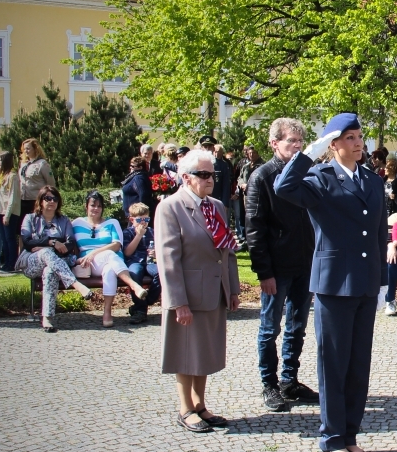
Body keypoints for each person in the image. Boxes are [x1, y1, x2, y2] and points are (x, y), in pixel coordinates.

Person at [274, 113, 387, 452]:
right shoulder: (319, 178)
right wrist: (310, 152)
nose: (358, 142)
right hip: (334, 283)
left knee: (358, 363)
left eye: (360, 136)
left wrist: (382, 280)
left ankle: (350, 434)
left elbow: (380, 232)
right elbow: (283, 188)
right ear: (334, 144)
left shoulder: (370, 180)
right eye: (349, 137)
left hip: (365, 281)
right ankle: (332, 436)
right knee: (334, 363)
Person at [156, 148, 240, 433]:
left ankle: (200, 404)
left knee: (204, 351)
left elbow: (226, 250)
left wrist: (232, 288)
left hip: (214, 289)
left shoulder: (216, 206)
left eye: (211, 175)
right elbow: (168, 258)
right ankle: (185, 408)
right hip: (188, 292)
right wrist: (177, 301)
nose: (209, 180)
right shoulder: (170, 208)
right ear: (185, 178)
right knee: (185, 351)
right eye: (202, 175)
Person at [245, 118, 319, 413]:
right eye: (291, 141)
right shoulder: (262, 176)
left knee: (297, 326)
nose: (297, 146)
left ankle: (290, 380)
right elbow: (254, 228)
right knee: (269, 328)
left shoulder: (307, 173)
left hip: (305, 263)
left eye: (300, 141)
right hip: (277, 266)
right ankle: (270, 384)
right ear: (274, 143)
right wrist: (264, 272)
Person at [17, 186, 93, 332]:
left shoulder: (63, 221)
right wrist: (52, 243)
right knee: (46, 252)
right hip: (32, 263)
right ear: (40, 201)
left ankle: (47, 318)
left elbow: (70, 244)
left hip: (56, 262)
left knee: (50, 271)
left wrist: (46, 246)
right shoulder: (30, 218)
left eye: (55, 199)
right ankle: (76, 284)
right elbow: (27, 242)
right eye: (48, 198)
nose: (52, 201)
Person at [73, 190, 149, 328]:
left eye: (99, 206)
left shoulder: (111, 222)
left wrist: (94, 252)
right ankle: (134, 285)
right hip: (90, 264)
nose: (96, 208)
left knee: (109, 269)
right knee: (109, 256)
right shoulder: (77, 223)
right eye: (93, 205)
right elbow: (69, 244)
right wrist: (80, 258)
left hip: (112, 262)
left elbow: (116, 245)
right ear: (86, 206)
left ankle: (107, 313)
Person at [121, 202, 162, 325]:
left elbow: (160, 249)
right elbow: (127, 252)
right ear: (132, 219)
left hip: (150, 262)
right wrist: (138, 236)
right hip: (134, 261)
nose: (143, 222)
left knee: (162, 272)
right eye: (139, 219)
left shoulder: (152, 232)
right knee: (134, 274)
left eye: (146, 219)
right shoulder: (127, 232)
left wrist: (156, 253)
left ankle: (146, 301)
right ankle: (140, 310)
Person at [0, 151, 21, 272]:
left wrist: (7, 215)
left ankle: (12, 263)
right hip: (0, 211)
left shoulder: (12, 176)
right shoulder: (1, 176)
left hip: (9, 212)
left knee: (10, 238)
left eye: (0, 160)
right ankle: (6, 262)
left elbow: (12, 197)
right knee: (3, 238)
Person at [18, 138, 55, 219]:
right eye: (24, 149)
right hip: (23, 200)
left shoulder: (42, 164)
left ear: (35, 149)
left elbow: (51, 183)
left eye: (28, 148)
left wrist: (49, 199)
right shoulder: (23, 164)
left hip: (36, 200)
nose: (26, 151)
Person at [234, 144, 262, 243]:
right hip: (245, 195)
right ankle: (245, 237)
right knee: (244, 216)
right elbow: (239, 177)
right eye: (249, 153)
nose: (251, 155)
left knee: (254, 216)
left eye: (253, 153)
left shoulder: (262, 166)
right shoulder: (245, 166)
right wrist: (242, 184)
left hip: (257, 195)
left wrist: (249, 185)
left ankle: (254, 238)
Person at [200, 136, 231, 206]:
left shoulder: (222, 165)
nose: (207, 149)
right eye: (205, 147)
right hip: (200, 201)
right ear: (201, 148)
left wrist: (225, 204)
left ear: (213, 148)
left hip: (217, 201)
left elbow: (226, 186)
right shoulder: (196, 164)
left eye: (210, 146)